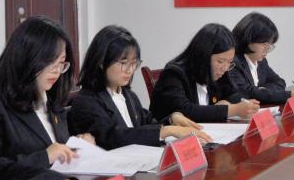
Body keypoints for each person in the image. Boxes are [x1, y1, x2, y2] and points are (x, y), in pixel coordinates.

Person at [0, 16, 93, 169]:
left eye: (61, 63)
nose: (56, 71)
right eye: (49, 61)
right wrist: (44, 157)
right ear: (25, 58)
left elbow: (56, 149)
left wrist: (76, 147)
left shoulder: (52, 99)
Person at [68, 25, 212, 148]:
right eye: (123, 63)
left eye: (134, 63)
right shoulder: (87, 101)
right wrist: (167, 131)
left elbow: (147, 124)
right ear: (101, 62)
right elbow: (112, 137)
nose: (130, 70)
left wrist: (171, 120)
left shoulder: (128, 95)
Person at [150, 23, 260, 123]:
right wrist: (232, 110)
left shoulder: (219, 70)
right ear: (203, 56)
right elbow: (185, 111)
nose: (225, 68)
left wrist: (227, 102)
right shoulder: (173, 74)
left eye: (229, 62)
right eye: (220, 61)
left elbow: (234, 93)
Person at [226, 12, 293, 105]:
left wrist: (263, 91)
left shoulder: (261, 61)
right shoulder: (232, 62)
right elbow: (246, 93)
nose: (267, 49)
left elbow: (279, 82)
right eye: (264, 44)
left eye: (270, 44)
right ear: (248, 40)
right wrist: (290, 95)